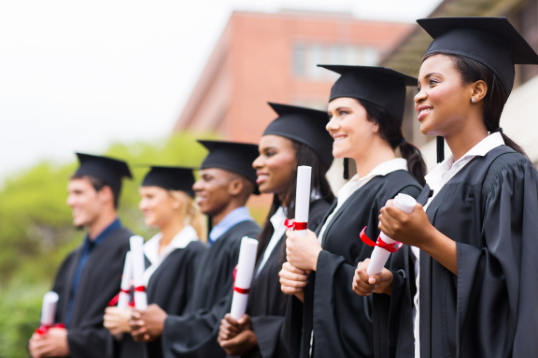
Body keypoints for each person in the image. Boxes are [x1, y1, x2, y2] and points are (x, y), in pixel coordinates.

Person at [353, 17, 538, 358]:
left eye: (433, 82)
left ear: (477, 90)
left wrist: (427, 238)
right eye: (419, 85)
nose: (419, 95)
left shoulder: (507, 171)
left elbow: (515, 287)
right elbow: (431, 286)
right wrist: (390, 283)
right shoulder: (436, 184)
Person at [281, 65, 425, 358]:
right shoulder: (352, 193)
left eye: (342, 113)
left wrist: (317, 260)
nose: (330, 125)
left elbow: (393, 299)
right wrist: (301, 286)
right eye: (330, 115)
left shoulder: (399, 194)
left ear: (377, 121)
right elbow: (334, 297)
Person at [217, 102, 335, 358]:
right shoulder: (273, 226)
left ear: (302, 158)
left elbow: (322, 309)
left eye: (269, 153)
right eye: (259, 154)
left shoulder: (321, 221)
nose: (257, 163)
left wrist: (259, 334)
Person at [130, 140, 261, 358]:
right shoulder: (217, 241)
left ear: (235, 187)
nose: (197, 186)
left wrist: (166, 324)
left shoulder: (246, 241)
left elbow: (225, 318)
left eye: (207, 179)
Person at [28, 153, 133, 358]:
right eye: (70, 193)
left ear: (105, 194)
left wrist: (71, 343)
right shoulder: (73, 257)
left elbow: (130, 331)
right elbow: (54, 317)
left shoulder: (131, 251)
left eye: (78, 193)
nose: (70, 201)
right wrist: (41, 342)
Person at [103, 166, 207, 358]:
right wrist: (118, 324)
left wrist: (134, 322)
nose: (142, 205)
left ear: (175, 200)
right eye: (142, 197)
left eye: (150, 197)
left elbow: (193, 324)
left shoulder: (196, 254)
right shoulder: (142, 252)